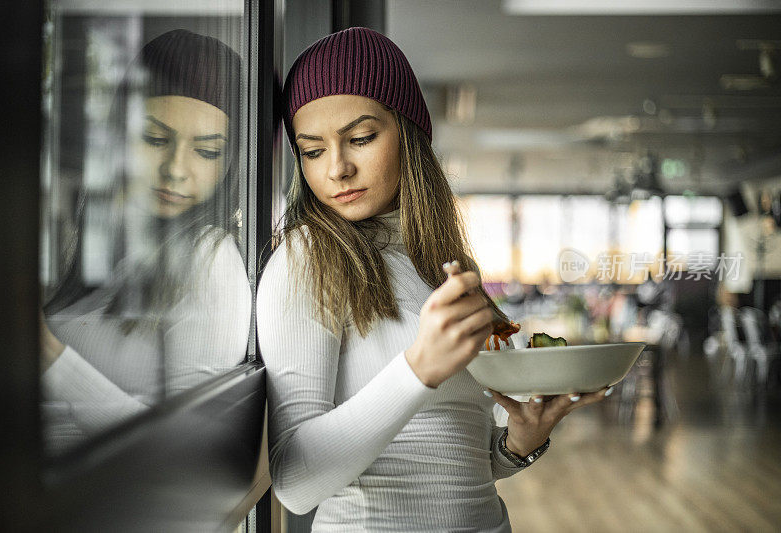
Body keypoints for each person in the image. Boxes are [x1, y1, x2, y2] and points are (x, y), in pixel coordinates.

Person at [257, 27, 610, 532]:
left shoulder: (437, 260)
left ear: (408, 133)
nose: (337, 168)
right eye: (312, 151)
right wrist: (417, 369)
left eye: (359, 139)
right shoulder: (308, 256)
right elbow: (295, 482)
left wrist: (519, 442)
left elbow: (458, 457)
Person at [40, 29, 249, 453]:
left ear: (229, 164)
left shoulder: (212, 257)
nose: (175, 168)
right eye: (155, 139)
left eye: (206, 151)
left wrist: (47, 356)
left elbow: (184, 448)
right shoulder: (101, 255)